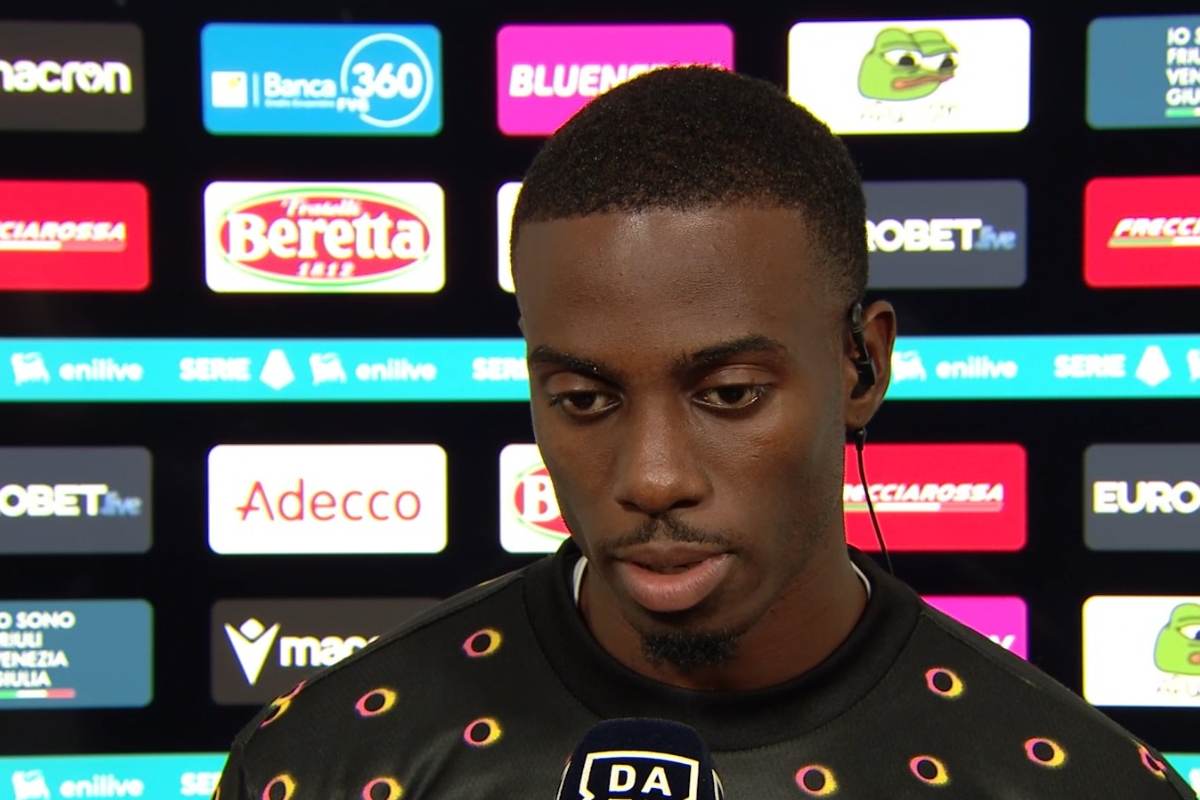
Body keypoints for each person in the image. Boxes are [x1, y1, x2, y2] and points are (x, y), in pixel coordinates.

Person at [215, 66, 1192, 799]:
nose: (652, 478)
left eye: (728, 393)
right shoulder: (328, 761)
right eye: (584, 399)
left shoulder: (1076, 781)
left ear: (862, 366)